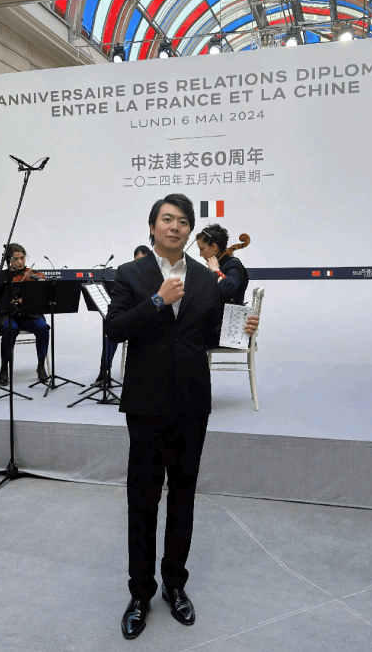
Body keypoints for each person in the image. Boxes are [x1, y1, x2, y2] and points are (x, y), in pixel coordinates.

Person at [105, 194, 258, 640]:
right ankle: (139, 592)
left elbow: (209, 334)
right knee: (143, 498)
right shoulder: (131, 274)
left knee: (184, 495)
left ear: (191, 231)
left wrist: (238, 330)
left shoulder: (207, 279)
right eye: (166, 219)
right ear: (153, 227)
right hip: (146, 402)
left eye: (183, 222)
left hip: (191, 399)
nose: (174, 227)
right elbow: (114, 328)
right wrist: (155, 300)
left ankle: (175, 585)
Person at [0, 243, 50, 386]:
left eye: (22, 258)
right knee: (10, 329)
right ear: (9, 260)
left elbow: (42, 300)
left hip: (29, 315)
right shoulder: (1, 276)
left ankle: (41, 367)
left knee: (43, 327)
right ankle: (4, 368)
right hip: (7, 315)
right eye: (16, 259)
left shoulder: (33, 275)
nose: (20, 262)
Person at [94, 244, 152, 385]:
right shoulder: (128, 275)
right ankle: (104, 372)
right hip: (130, 319)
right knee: (111, 331)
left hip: (147, 321)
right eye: (136, 261)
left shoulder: (154, 277)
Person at [195, 224, 250, 306]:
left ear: (214, 247)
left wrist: (216, 270)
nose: (200, 254)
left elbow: (228, 288)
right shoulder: (217, 265)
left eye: (202, 249)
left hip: (227, 317)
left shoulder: (233, 264)